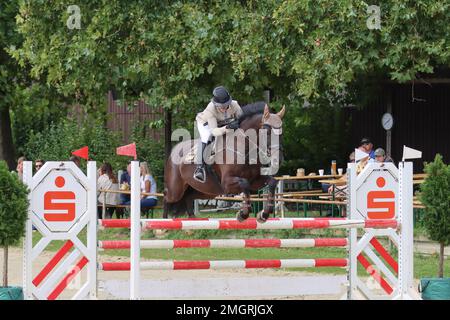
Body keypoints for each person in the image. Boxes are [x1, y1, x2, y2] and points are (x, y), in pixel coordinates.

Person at [193, 86, 243, 182]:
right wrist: (228, 128)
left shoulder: (235, 104)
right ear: (216, 104)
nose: (224, 108)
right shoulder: (210, 109)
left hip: (223, 123)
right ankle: (200, 168)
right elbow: (215, 131)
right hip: (206, 124)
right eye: (221, 106)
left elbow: (242, 119)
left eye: (226, 105)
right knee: (206, 137)